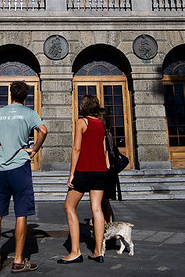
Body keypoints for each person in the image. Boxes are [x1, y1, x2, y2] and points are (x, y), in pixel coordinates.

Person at [0, 80, 48, 273]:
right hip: (20, 167)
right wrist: (35, 149)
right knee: (21, 213)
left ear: (11, 94)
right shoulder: (29, 113)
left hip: (0, 168)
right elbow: (43, 130)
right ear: (26, 96)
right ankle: (17, 261)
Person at [59, 95, 108, 264]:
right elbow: (104, 149)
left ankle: (75, 251)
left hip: (84, 170)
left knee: (69, 206)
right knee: (97, 209)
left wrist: (72, 173)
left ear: (85, 107)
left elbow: (76, 148)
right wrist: (105, 167)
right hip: (101, 171)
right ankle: (98, 251)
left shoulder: (82, 122)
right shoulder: (101, 124)